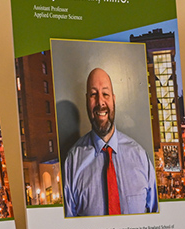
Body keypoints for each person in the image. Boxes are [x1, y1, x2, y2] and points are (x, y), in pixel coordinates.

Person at [63, 68, 158, 216]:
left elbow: (157, 218)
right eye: (94, 94)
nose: (100, 102)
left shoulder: (140, 157)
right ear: (87, 100)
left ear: (113, 99)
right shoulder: (72, 163)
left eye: (105, 94)